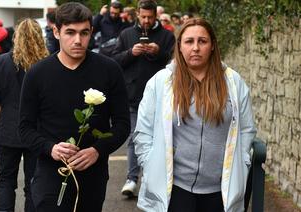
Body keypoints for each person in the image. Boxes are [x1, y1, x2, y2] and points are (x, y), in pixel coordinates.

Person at [134, 18, 257, 211]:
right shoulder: (161, 82)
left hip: (220, 190)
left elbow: (247, 129)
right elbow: (144, 131)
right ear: (180, 46)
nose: (196, 48)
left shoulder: (233, 82)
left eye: (202, 41)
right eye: (189, 41)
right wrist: (150, 163)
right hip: (175, 188)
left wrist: (242, 162)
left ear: (213, 46)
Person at [19, 2, 130, 212]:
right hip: (50, 173)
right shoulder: (37, 74)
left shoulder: (109, 70)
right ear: (56, 32)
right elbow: (24, 128)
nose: (78, 40)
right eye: (70, 32)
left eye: (84, 33)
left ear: (91, 32)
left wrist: (98, 150)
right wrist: (50, 148)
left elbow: (122, 124)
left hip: (93, 174)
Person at [0, 19, 48, 212]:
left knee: (6, 181)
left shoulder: (3, 61)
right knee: (34, 183)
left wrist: (7, 98)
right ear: (39, 37)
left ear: (16, 37)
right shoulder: (47, 63)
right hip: (37, 130)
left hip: (9, 129)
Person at [111, 0, 175, 198]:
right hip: (133, 95)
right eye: (143, 17)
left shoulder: (167, 36)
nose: (146, 21)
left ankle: (151, 180)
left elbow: (175, 62)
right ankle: (131, 179)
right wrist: (131, 52)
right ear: (138, 15)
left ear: (155, 16)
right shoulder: (126, 34)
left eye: (150, 17)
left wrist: (159, 53)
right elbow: (115, 60)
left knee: (160, 139)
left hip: (160, 95)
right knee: (134, 137)